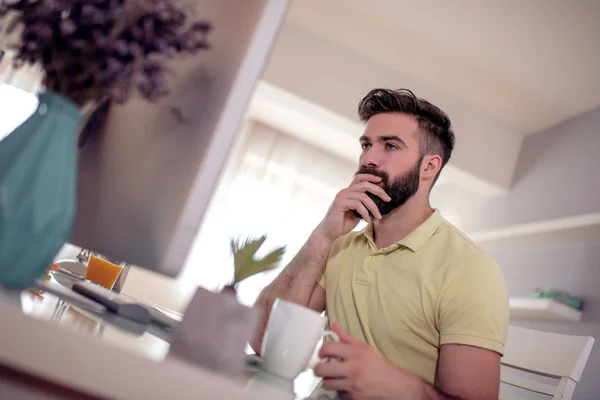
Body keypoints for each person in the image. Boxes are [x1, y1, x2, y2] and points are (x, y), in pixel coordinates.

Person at [251, 88, 509, 400]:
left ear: (429, 167)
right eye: (366, 144)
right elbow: (262, 339)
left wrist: (399, 386)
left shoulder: (469, 270)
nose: (368, 159)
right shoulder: (339, 246)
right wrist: (323, 234)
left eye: (390, 145)